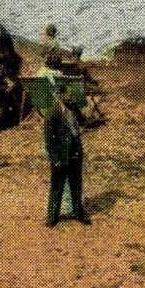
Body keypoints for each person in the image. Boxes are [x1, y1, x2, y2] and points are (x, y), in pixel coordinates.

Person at [43, 85, 89, 226]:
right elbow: (48, 141)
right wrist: (54, 159)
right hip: (60, 156)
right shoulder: (52, 113)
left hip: (75, 153)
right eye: (68, 95)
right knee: (57, 186)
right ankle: (52, 217)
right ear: (60, 95)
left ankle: (78, 213)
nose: (70, 97)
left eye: (71, 94)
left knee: (76, 185)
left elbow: (84, 122)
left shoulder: (74, 109)